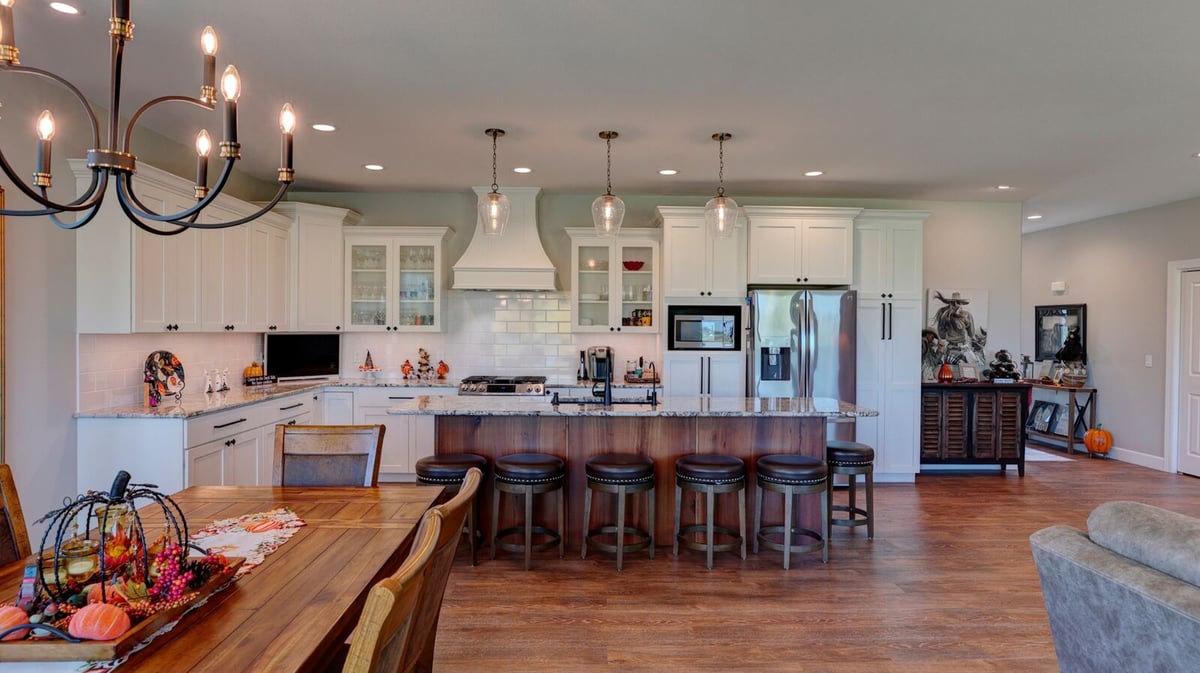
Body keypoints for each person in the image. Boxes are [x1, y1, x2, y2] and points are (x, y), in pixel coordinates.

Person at [931, 291, 988, 364]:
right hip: (964, 350)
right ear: (961, 303)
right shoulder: (967, 315)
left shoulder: (944, 316)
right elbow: (971, 334)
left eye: (957, 302)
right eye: (956, 302)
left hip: (950, 349)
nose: (956, 304)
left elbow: (942, 336)